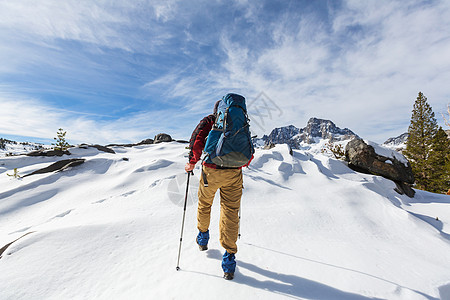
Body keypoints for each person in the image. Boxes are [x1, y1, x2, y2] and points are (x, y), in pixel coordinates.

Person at [185, 95, 252, 280]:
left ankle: (203, 238)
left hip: (211, 171)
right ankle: (229, 260)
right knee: (230, 211)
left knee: (205, 204)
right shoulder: (241, 121)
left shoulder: (210, 121)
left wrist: (191, 163)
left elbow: (197, 141)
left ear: (218, 110)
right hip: (234, 172)